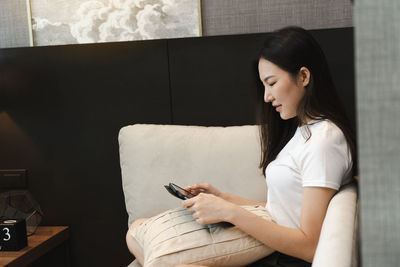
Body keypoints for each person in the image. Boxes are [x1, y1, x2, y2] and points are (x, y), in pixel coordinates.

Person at [126, 26, 357, 267]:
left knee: (158, 256)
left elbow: (310, 246)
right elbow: (280, 210)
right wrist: (222, 198)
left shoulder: (325, 140)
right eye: (264, 86)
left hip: (285, 260)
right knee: (136, 229)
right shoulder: (304, 133)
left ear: (303, 77)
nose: (267, 97)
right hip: (271, 251)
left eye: (272, 83)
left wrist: (229, 212)